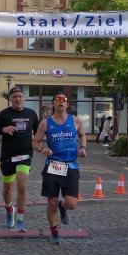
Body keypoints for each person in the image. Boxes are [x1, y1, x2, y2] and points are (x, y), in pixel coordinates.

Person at [33, 93, 87, 245]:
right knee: (51, 202)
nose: (61, 101)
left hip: (71, 166)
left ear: (67, 104)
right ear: (53, 104)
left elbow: (82, 135)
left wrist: (83, 148)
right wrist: (42, 149)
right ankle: (54, 231)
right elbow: (35, 142)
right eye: (58, 100)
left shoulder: (75, 120)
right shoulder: (45, 123)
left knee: (72, 204)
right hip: (53, 166)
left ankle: (62, 208)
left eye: (64, 100)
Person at [0, 87, 40, 232]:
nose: (18, 99)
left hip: (25, 155)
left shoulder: (31, 113)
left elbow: (39, 133)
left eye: (20, 96)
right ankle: (9, 209)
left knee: (22, 184)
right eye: (15, 96)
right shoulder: (4, 114)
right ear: (10, 99)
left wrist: (41, 146)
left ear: (24, 98)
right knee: (7, 188)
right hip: (8, 156)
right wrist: (3, 129)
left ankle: (20, 220)